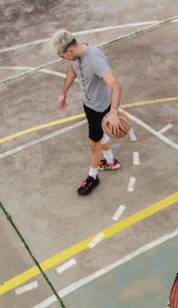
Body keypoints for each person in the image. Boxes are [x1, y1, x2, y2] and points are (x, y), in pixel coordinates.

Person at [50, 29, 123, 196]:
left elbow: (115, 86)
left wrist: (113, 113)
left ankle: (92, 177)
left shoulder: (95, 59)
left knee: (93, 143)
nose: (63, 59)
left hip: (100, 107)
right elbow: (72, 71)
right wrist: (63, 92)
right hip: (88, 104)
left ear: (69, 50)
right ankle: (110, 161)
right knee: (99, 134)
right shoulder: (75, 57)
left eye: (62, 56)